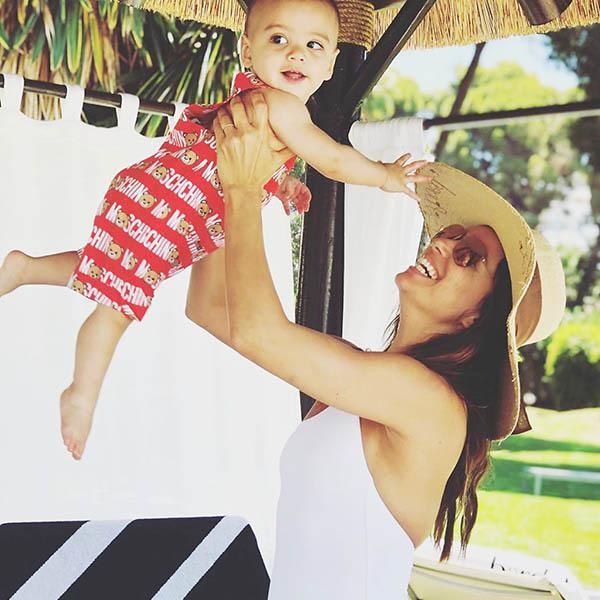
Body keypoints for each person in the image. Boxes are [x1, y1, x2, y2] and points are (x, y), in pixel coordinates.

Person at [0, 0, 428, 460]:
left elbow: (245, 156)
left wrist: (281, 185)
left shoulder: (256, 101)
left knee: (110, 271)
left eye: (313, 45)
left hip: (156, 196)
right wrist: (385, 176)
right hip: (168, 205)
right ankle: (82, 393)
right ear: (248, 50)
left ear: (330, 65)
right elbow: (331, 158)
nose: (296, 54)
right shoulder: (282, 105)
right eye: (278, 40)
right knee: (118, 304)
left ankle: (26, 268)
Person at [185, 92, 566, 599]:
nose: (443, 245)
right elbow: (213, 311)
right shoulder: (363, 377)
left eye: (469, 257)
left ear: (479, 317)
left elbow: (257, 331)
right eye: (451, 235)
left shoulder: (430, 401)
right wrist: (221, 184)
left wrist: (240, 183)